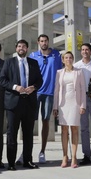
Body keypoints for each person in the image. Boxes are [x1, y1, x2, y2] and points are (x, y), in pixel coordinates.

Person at [0, 39, 43, 170]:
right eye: (19, 46)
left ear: (27, 48)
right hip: (13, 103)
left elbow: (40, 80)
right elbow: (2, 80)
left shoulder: (33, 63)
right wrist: (15, 86)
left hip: (29, 103)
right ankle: (11, 162)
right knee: (12, 133)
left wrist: (34, 87)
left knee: (28, 134)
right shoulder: (9, 62)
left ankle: (27, 160)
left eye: (23, 46)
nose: (21, 48)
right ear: (16, 48)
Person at [28, 34, 62, 164]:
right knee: (30, 121)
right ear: (38, 42)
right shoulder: (33, 56)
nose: (44, 43)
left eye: (46, 41)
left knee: (46, 121)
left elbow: (60, 73)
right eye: (42, 41)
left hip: (50, 93)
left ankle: (42, 151)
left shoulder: (56, 55)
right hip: (35, 92)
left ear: (48, 42)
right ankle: (27, 151)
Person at [53, 51, 86, 168]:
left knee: (74, 129)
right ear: (63, 60)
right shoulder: (59, 73)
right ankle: (64, 156)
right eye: (66, 58)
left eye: (70, 57)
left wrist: (83, 105)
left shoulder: (79, 72)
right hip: (63, 104)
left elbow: (82, 90)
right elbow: (56, 91)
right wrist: (55, 107)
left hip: (75, 103)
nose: (68, 59)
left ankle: (74, 157)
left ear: (72, 59)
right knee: (64, 130)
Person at [74, 43, 91, 165]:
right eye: (83, 50)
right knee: (84, 128)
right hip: (82, 98)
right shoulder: (76, 66)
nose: (84, 51)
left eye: (87, 50)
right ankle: (87, 155)